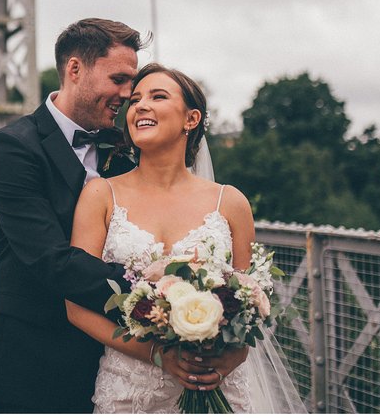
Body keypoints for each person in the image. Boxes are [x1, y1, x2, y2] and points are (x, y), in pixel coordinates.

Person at [66, 63, 304, 413]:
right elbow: (75, 306)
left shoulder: (231, 202)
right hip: (129, 391)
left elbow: (252, 307)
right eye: (134, 100)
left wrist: (228, 363)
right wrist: (157, 354)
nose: (140, 106)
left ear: (191, 119)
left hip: (217, 386)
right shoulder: (100, 195)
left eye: (157, 97)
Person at [0, 18, 145, 414]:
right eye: (119, 79)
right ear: (75, 70)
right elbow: (49, 261)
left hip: (120, 364)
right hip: (37, 365)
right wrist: (154, 293)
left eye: (132, 82)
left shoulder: (126, 148)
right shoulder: (12, 148)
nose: (128, 94)